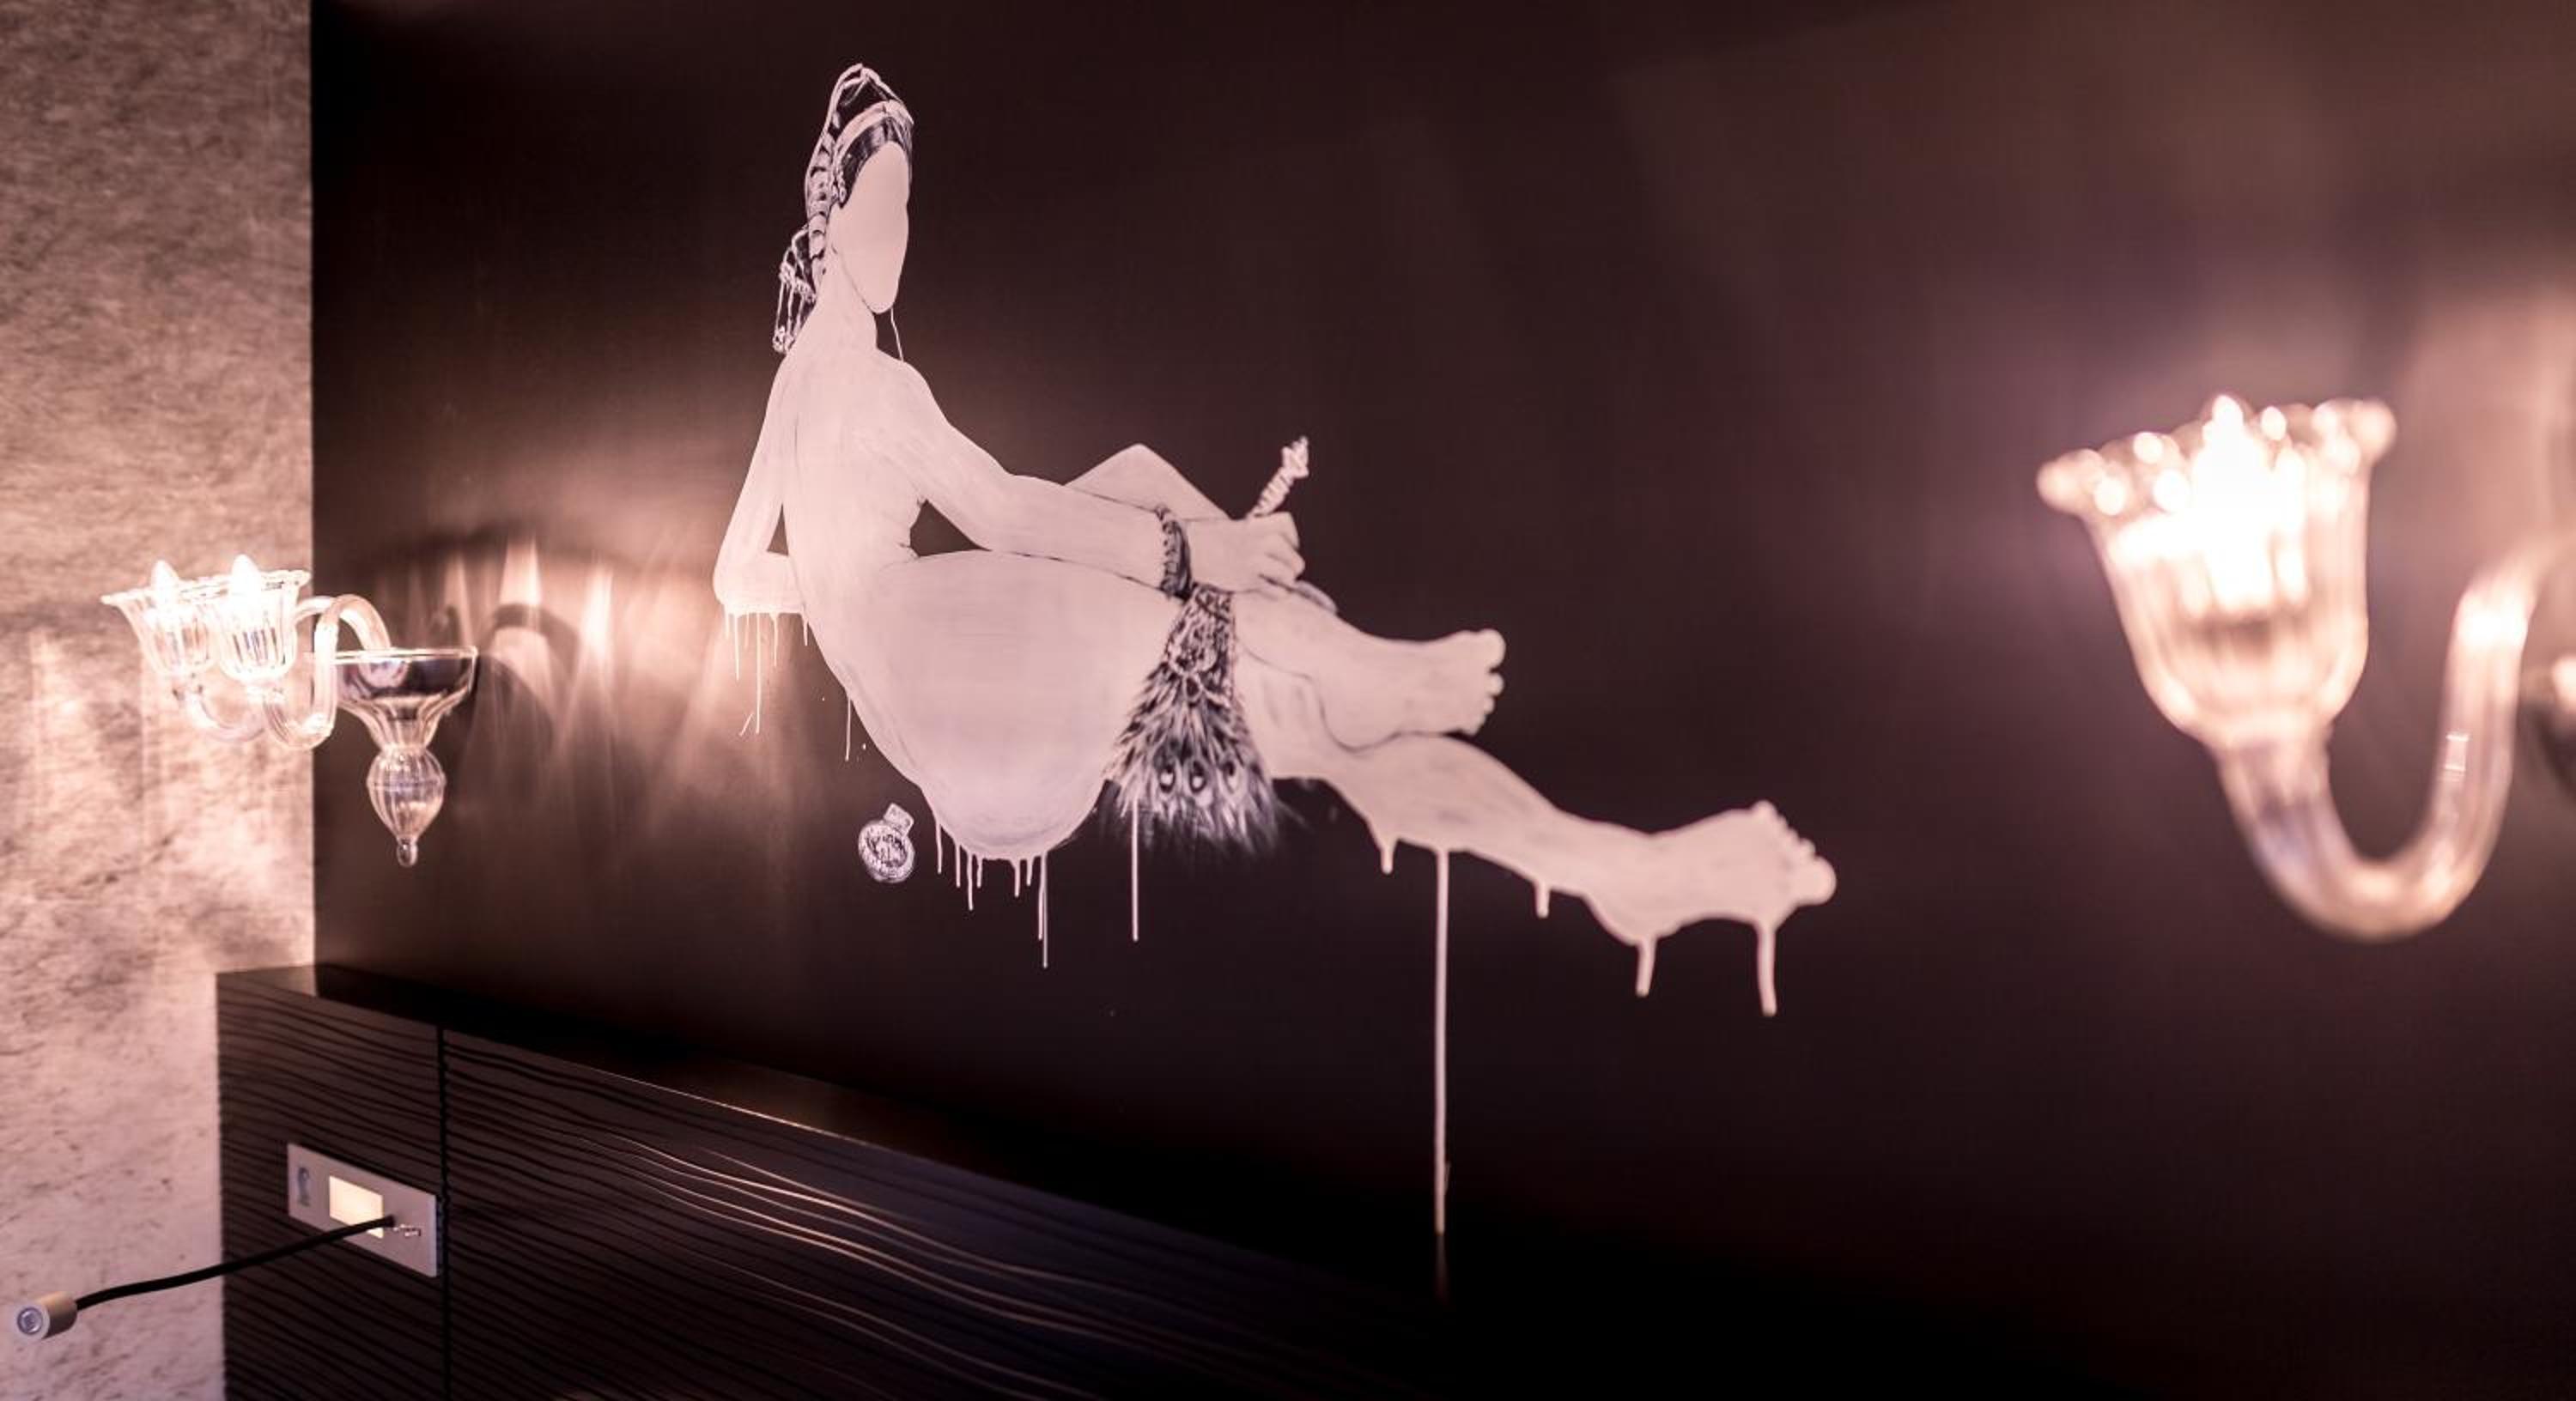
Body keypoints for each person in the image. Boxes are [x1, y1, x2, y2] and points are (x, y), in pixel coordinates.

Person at [714, 64, 1833, 995]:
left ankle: (1609, 866)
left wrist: (838, 589)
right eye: (879, 209)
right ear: (830, 220)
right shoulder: (877, 387)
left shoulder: (794, 387)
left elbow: (734, 578)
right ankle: (1325, 647)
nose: (897, 235)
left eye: (906, 210)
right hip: (953, 667)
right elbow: (1002, 511)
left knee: (1206, 584)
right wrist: (1192, 554)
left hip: (928, 690)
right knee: (1228, 637)